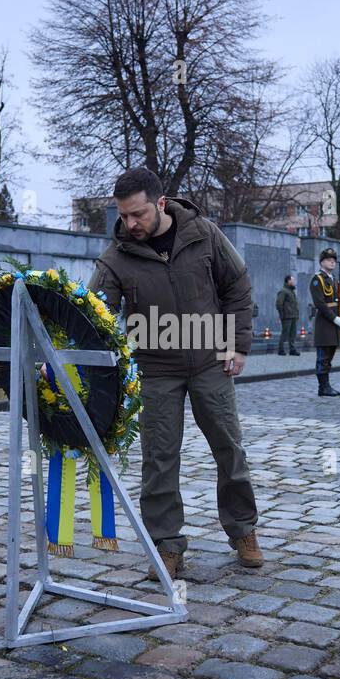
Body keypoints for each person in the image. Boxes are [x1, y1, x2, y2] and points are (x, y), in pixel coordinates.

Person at [88, 167, 262, 580]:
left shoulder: (204, 234)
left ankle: (243, 531)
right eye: (124, 216)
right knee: (159, 459)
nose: (131, 224)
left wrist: (237, 343)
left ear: (161, 204)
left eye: (139, 214)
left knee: (229, 448)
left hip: (210, 362)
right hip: (155, 371)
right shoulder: (116, 257)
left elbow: (237, 285)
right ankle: (166, 545)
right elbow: (95, 312)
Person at [310, 248, 340, 396]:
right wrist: (336, 319)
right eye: (329, 260)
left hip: (333, 324)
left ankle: (326, 385)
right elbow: (320, 304)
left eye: (334, 260)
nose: (332, 262)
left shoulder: (333, 279)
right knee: (323, 357)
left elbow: (333, 300)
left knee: (329, 356)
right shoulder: (317, 279)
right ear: (322, 262)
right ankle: (323, 387)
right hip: (325, 324)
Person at [276, 274, 301, 356]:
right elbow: (279, 304)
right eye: (293, 280)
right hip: (286, 316)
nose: (294, 282)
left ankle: (292, 350)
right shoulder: (283, 291)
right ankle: (281, 350)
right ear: (288, 281)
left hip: (293, 316)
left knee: (293, 334)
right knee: (285, 333)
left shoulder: (291, 291)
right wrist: (281, 315)